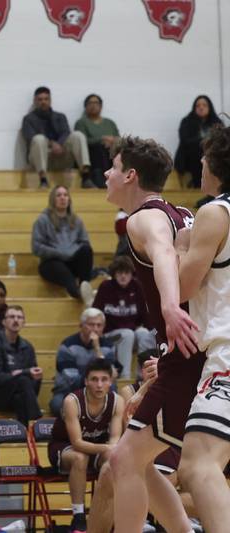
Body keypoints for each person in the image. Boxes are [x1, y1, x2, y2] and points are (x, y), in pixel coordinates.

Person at [104, 135, 205, 533]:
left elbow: (163, 253)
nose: (107, 175)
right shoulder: (180, 213)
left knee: (123, 460)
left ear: (130, 174)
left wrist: (168, 307)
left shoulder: (143, 218)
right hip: (186, 352)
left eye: (113, 168)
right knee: (137, 460)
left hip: (188, 350)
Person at [175, 124, 230, 533]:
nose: (200, 163)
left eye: (204, 157)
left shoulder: (215, 212)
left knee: (196, 465)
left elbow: (181, 287)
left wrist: (179, 244)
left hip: (227, 351)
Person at [87, 353, 200, 533]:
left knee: (204, 477)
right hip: (174, 404)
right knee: (115, 466)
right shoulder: (131, 390)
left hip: (200, 399)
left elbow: (202, 354)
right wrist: (145, 388)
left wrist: (166, 368)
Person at [48, 358, 124, 533]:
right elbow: (77, 443)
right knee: (80, 457)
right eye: (94, 379)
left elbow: (114, 439)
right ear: (86, 381)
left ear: (110, 382)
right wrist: (108, 448)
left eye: (104, 379)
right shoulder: (72, 401)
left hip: (97, 448)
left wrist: (110, 449)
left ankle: (105, 512)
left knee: (114, 458)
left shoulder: (117, 401)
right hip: (64, 447)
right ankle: (79, 516)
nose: (99, 384)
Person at [92, 255, 156, 379]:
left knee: (144, 333)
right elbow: (97, 312)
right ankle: (124, 376)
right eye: (119, 272)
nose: (123, 276)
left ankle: (141, 375)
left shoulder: (137, 286)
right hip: (109, 334)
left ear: (131, 274)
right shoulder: (105, 287)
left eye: (126, 273)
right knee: (127, 334)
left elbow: (144, 314)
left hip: (131, 332)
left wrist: (154, 330)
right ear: (114, 274)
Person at [0, 305, 42, 427]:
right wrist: (22, 373)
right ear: (3, 321)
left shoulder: (27, 347)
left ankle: (24, 437)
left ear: (24, 322)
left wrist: (30, 375)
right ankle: (37, 422)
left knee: (20, 398)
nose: (16, 320)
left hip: (20, 395)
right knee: (23, 380)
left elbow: (33, 380)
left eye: (20, 317)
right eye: (12, 317)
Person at [31, 185, 95, 305]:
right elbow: (36, 247)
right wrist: (59, 253)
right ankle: (76, 292)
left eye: (65, 195)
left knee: (86, 250)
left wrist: (70, 252)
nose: (62, 198)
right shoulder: (42, 220)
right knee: (58, 267)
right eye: (59, 195)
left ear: (69, 199)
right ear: (53, 199)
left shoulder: (76, 220)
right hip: (51, 262)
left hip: (72, 260)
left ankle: (84, 286)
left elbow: (85, 242)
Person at [50, 308, 118, 416]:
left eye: (99, 325)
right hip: (69, 391)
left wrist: (97, 349)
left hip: (97, 389)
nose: (95, 329)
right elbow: (73, 380)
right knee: (57, 404)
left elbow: (112, 375)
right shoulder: (68, 346)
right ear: (81, 325)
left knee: (113, 392)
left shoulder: (108, 346)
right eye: (91, 324)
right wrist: (93, 382)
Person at [21, 86, 91, 189]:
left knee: (77, 135)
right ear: (35, 101)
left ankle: (86, 176)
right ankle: (43, 180)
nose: (43, 102)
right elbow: (30, 137)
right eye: (40, 99)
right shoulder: (28, 119)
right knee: (39, 139)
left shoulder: (60, 116)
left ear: (50, 100)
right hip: (40, 159)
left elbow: (66, 132)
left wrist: (59, 145)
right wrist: (52, 144)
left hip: (61, 155)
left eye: (46, 99)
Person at [174, 95, 222, 188]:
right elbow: (185, 140)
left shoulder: (217, 122)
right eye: (198, 105)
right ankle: (197, 185)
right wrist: (202, 141)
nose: (201, 107)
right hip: (190, 158)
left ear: (209, 107)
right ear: (194, 108)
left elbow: (221, 142)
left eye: (204, 105)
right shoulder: (187, 121)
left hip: (211, 157)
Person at [74, 94, 120, 188]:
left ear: (101, 106)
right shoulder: (82, 123)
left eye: (96, 103)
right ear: (86, 106)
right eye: (90, 103)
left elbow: (118, 139)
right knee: (99, 149)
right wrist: (102, 139)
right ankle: (100, 182)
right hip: (92, 152)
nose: (93, 105)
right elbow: (82, 141)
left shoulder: (110, 123)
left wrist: (112, 141)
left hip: (111, 151)